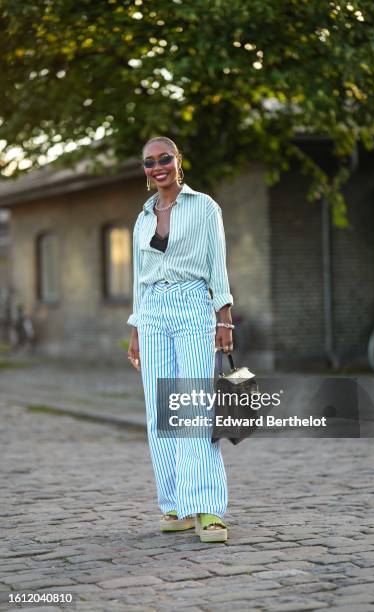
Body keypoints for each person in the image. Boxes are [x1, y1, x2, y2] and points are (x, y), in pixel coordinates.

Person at [127, 136, 234, 543]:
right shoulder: (142, 218)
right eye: (149, 162)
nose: (157, 167)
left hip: (191, 305)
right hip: (152, 312)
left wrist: (224, 318)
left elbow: (216, 264)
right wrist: (136, 327)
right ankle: (174, 503)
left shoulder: (204, 207)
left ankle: (207, 508)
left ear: (177, 161)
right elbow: (138, 277)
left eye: (164, 159)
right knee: (160, 411)